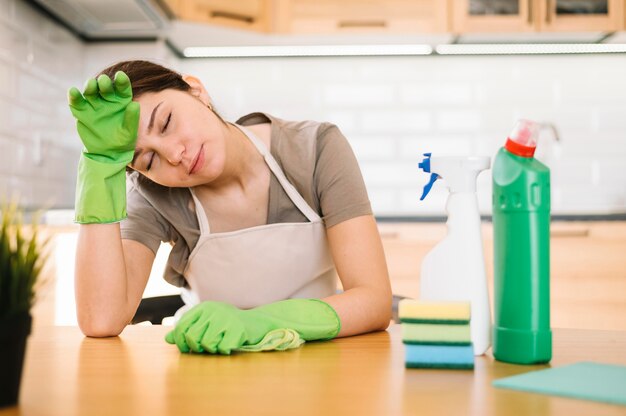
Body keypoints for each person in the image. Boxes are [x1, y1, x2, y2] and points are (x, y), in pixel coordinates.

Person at [68, 60, 392, 354]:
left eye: (166, 122)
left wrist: (260, 322)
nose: (173, 154)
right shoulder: (153, 194)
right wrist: (99, 170)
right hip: (214, 365)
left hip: (320, 357)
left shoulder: (314, 149)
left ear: (196, 91)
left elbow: (374, 300)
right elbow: (101, 320)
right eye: (149, 160)